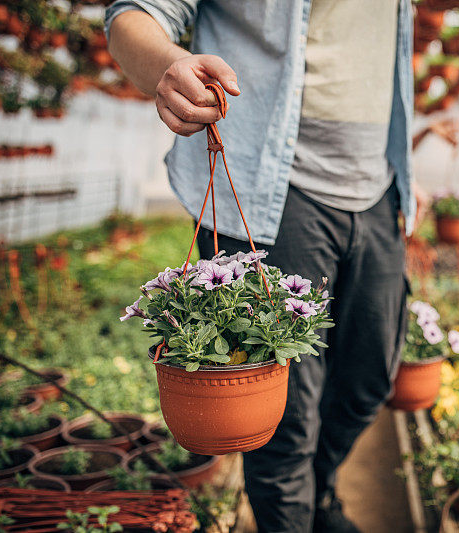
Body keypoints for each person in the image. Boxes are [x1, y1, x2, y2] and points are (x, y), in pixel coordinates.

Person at [105, 2, 415, 532]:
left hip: (377, 186)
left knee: (370, 378)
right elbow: (133, 15)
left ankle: (316, 496)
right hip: (269, 185)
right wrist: (166, 64)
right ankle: (295, 516)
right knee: (284, 412)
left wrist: (404, 169)